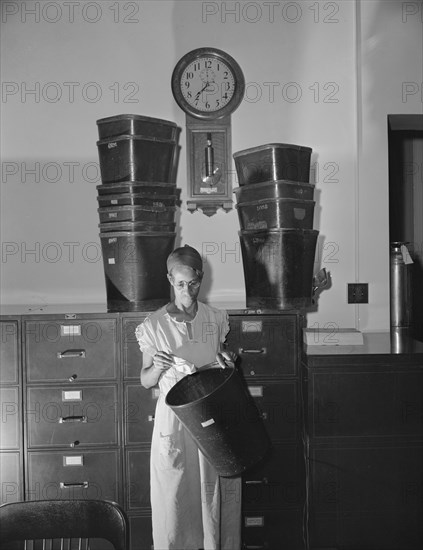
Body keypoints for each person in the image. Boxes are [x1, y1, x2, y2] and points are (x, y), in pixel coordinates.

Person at [135, 245, 241, 550]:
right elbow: (144, 381)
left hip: (211, 417)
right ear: (170, 279)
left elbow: (221, 368)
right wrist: (155, 369)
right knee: (175, 504)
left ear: (201, 279)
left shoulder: (215, 318)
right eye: (180, 284)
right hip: (175, 422)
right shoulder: (154, 326)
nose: (188, 291)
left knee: (212, 499)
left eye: (193, 283)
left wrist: (227, 363)